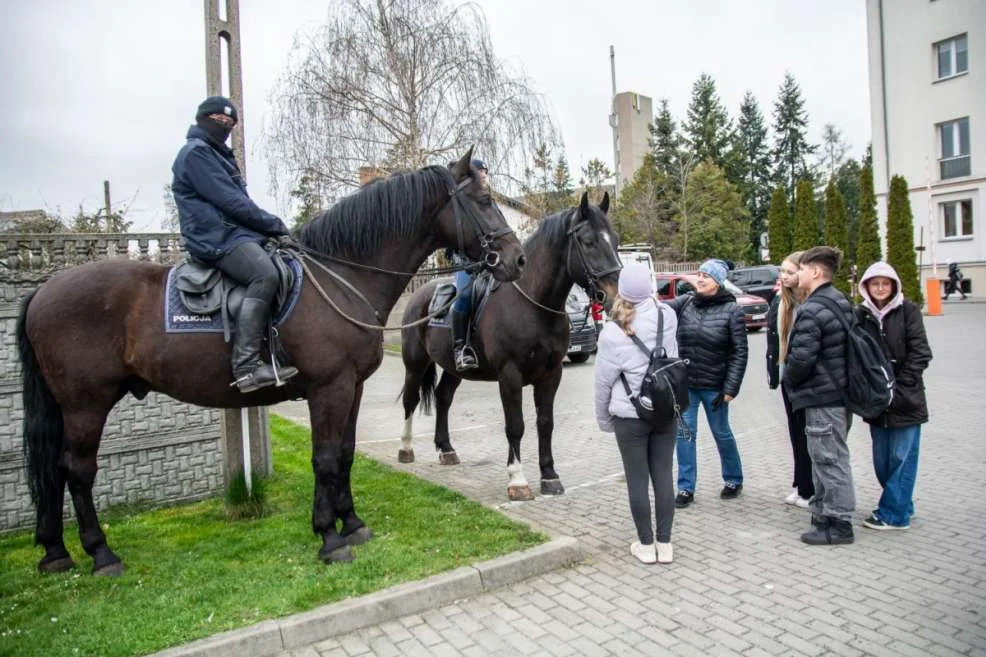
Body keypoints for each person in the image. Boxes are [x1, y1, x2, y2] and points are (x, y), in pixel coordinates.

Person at [172, 95, 298, 393]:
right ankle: (247, 368)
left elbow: (238, 203)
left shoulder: (218, 154)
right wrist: (275, 225)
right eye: (220, 122)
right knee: (264, 274)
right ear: (203, 120)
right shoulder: (196, 154)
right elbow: (231, 202)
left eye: (230, 124)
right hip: (214, 238)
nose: (225, 127)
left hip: (232, 234)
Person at [594, 263, 680, 564]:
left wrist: (603, 419)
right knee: (664, 475)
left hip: (630, 415)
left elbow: (603, 383)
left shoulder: (611, 332)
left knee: (637, 479)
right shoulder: (667, 317)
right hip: (665, 410)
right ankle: (665, 544)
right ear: (651, 287)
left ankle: (645, 545)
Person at [783, 246, 856, 546]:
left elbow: (801, 359)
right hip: (837, 394)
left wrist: (789, 380)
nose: (796, 274)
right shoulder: (839, 300)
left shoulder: (814, 308)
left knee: (829, 460)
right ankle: (824, 513)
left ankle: (839, 523)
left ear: (814, 272)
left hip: (822, 397)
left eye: (800, 269)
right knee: (827, 457)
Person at [665, 259, 748, 508]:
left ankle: (733, 479)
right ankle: (685, 488)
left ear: (718, 281)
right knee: (684, 435)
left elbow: (739, 352)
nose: (700, 279)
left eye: (707, 276)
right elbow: (662, 310)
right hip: (686, 385)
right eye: (699, 274)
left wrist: (730, 388)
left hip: (715, 387)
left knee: (721, 433)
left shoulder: (732, 310)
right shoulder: (687, 302)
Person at [856, 262, 933, 530]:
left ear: (893, 286)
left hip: (906, 399)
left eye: (885, 283)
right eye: (874, 283)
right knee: (883, 462)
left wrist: (900, 385)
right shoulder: (861, 315)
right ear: (866, 286)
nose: (879, 288)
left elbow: (921, 352)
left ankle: (893, 515)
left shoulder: (908, 311)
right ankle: (903, 503)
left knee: (902, 459)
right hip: (877, 402)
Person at [766, 251, 813, 508]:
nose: (784, 277)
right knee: (796, 434)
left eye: (789, 272)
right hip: (788, 379)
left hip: (807, 381)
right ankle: (800, 482)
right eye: (781, 272)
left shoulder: (811, 303)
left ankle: (809, 487)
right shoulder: (782, 302)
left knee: (809, 436)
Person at [449, 158, 490, 371]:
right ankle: (460, 348)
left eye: (485, 171)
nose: (484, 174)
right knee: (464, 295)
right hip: (466, 263)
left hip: (490, 264)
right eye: (480, 171)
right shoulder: (462, 203)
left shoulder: (487, 203)